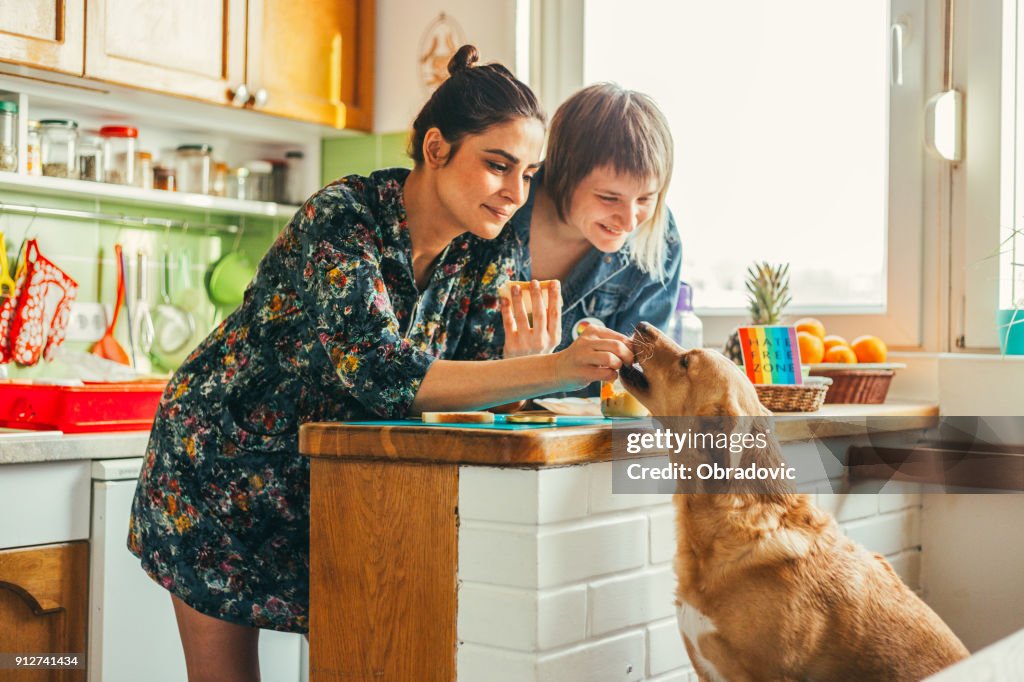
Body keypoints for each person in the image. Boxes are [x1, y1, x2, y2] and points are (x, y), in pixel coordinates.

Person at [127, 46, 634, 682]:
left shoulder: (491, 245)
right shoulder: (341, 218)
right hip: (220, 467)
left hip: (340, 485)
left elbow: (470, 394)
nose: (514, 192)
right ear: (435, 149)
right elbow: (384, 374)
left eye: (529, 174)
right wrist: (554, 369)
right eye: (498, 165)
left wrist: (520, 369)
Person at [501, 83, 682, 381]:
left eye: (646, 198)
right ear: (563, 175)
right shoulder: (498, 210)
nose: (628, 221)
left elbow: (641, 380)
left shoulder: (662, 242)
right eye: (609, 198)